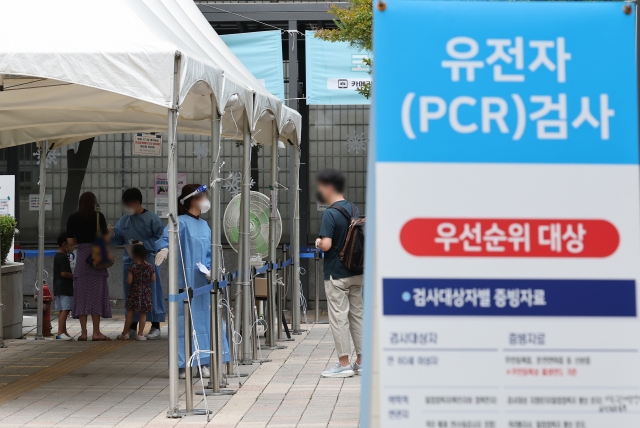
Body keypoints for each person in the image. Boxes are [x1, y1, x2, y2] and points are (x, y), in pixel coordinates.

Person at [155, 184, 212, 378]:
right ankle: (181, 364)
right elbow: (167, 239)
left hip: (202, 284)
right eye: (203, 196)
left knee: (203, 323)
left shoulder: (205, 226)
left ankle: (203, 361)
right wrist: (164, 248)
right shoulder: (180, 222)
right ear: (192, 200)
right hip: (183, 282)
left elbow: (208, 253)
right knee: (181, 324)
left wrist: (210, 269)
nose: (206, 200)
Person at [315, 169, 364, 378]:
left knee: (339, 318)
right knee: (357, 316)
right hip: (357, 271)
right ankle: (362, 362)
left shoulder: (330, 213)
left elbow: (326, 245)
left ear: (328, 187)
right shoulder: (354, 208)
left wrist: (318, 242)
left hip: (337, 275)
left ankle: (343, 364)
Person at [112, 188, 165, 339]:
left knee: (152, 293)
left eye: (128, 204)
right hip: (130, 262)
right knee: (131, 294)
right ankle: (132, 327)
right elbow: (118, 237)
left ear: (136, 202)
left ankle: (155, 326)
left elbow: (161, 239)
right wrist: (111, 234)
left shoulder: (152, 219)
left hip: (148, 261)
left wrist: (145, 244)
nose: (126, 208)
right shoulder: (124, 220)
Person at [66, 191, 112, 341]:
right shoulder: (99, 216)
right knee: (96, 297)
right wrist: (110, 232)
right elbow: (105, 239)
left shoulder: (73, 218)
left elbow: (71, 242)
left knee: (82, 296)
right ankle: (97, 332)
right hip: (97, 258)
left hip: (82, 260)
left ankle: (84, 332)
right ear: (94, 203)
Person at [118, 245, 155, 341]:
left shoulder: (133, 267)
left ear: (134, 255)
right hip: (146, 292)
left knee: (130, 313)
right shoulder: (150, 267)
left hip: (134, 292)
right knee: (143, 314)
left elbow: (129, 281)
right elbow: (153, 279)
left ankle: (124, 334)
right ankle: (140, 334)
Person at [53, 232, 74, 341]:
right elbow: (64, 273)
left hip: (58, 287)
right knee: (65, 310)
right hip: (65, 287)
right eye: (71, 243)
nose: (73, 246)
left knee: (62, 310)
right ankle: (60, 332)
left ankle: (63, 331)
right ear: (64, 244)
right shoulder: (63, 257)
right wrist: (74, 276)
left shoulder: (57, 255)